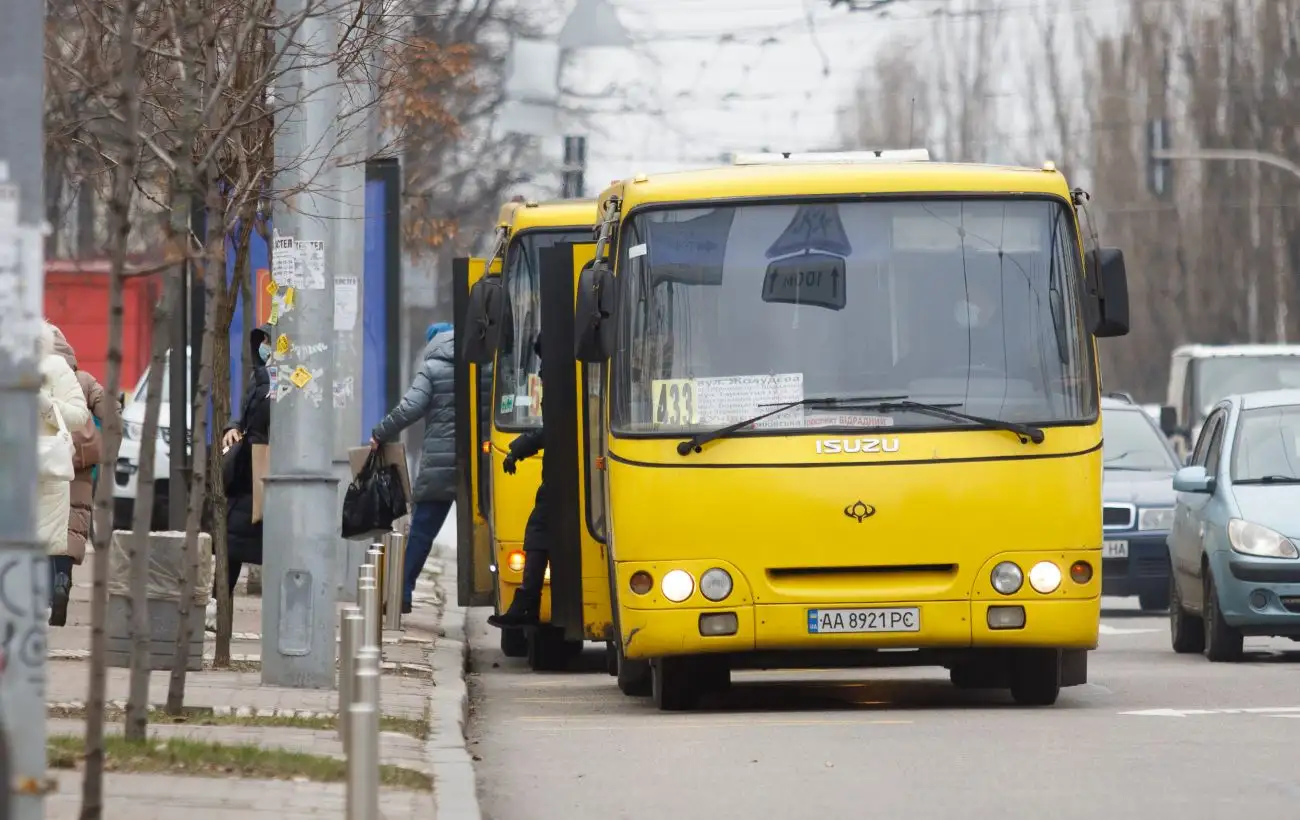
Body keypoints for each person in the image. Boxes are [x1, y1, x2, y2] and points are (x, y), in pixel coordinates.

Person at [370, 322, 456, 614]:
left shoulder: (432, 368)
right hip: (480, 467)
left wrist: (380, 433)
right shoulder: (479, 361)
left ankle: (401, 593)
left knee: (421, 531)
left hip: (440, 466)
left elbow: (410, 407)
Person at [207, 324, 272, 630]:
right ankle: (220, 610)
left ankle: (222, 611)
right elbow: (244, 415)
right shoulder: (259, 376)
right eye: (264, 341)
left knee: (244, 544)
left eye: (271, 341)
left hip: (265, 470)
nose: (265, 346)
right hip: (249, 469)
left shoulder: (279, 380)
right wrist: (231, 427)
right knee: (231, 544)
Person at [49, 326, 111, 626]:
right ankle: (62, 578)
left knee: (43, 529)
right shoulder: (83, 381)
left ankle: (44, 591)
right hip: (80, 472)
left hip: (44, 468)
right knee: (71, 530)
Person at [488, 334, 549, 629]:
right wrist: (518, 449)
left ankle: (527, 604)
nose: (541, 367)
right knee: (539, 531)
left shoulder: (561, 378)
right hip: (561, 477)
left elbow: (553, 430)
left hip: (565, 480)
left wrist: (517, 449)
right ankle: (527, 604)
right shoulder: (565, 373)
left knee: (539, 529)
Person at [36, 321, 92, 623]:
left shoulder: (55, 368)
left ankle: (43, 608)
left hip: (46, 474)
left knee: (43, 546)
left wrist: (45, 403)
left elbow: (78, 414)